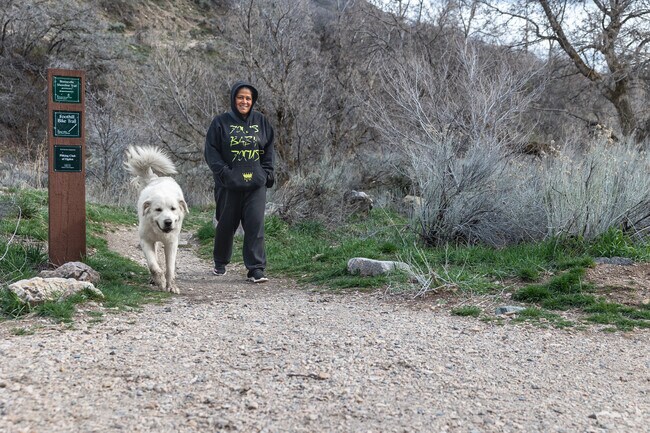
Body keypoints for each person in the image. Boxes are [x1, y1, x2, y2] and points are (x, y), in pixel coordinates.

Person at [204, 81, 274, 283]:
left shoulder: (261, 121)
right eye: (241, 97)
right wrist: (225, 174)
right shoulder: (220, 122)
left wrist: (267, 174)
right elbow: (211, 151)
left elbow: (269, 149)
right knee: (226, 224)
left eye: (248, 98)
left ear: (253, 101)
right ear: (234, 99)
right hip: (229, 185)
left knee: (255, 224)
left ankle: (256, 268)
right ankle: (220, 261)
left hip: (255, 184)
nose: (244, 101)